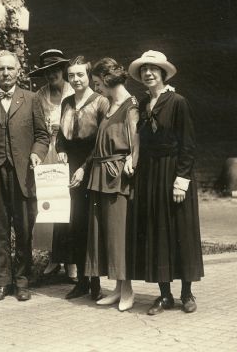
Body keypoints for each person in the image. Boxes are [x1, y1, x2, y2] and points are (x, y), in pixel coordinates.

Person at [127, 50, 204, 315]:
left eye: (153, 69)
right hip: (151, 174)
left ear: (162, 73)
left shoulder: (177, 102)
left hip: (174, 172)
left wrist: (181, 180)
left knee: (180, 231)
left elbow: (188, 144)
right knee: (156, 232)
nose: (148, 73)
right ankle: (164, 295)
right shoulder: (142, 104)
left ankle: (187, 293)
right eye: (144, 70)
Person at [0, 50, 50, 302]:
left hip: (23, 174)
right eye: (0, 69)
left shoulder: (31, 99)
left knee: (24, 228)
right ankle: (2, 282)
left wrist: (37, 154)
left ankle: (22, 280)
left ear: (18, 71)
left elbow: (42, 136)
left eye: (10, 69)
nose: (5, 73)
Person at [83, 58, 139, 311]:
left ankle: (127, 289)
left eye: (97, 83)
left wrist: (131, 160)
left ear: (107, 79)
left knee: (118, 235)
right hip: (100, 174)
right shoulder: (109, 105)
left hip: (116, 179)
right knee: (104, 235)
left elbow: (136, 144)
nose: (96, 89)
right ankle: (117, 288)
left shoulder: (131, 106)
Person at [56, 56, 109, 300]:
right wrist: (61, 151)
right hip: (70, 169)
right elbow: (60, 136)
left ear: (88, 76)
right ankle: (82, 281)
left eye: (80, 75)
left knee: (92, 226)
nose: (76, 79)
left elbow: (101, 142)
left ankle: (96, 281)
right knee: (75, 224)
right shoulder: (66, 102)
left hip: (92, 168)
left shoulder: (101, 102)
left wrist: (83, 169)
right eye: (71, 76)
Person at [28, 49, 77, 280]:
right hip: (48, 153)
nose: (51, 75)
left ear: (63, 70)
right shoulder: (39, 96)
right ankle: (54, 258)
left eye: (55, 70)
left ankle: (71, 261)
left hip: (69, 152)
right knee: (51, 206)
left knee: (70, 207)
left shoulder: (74, 90)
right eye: (47, 72)